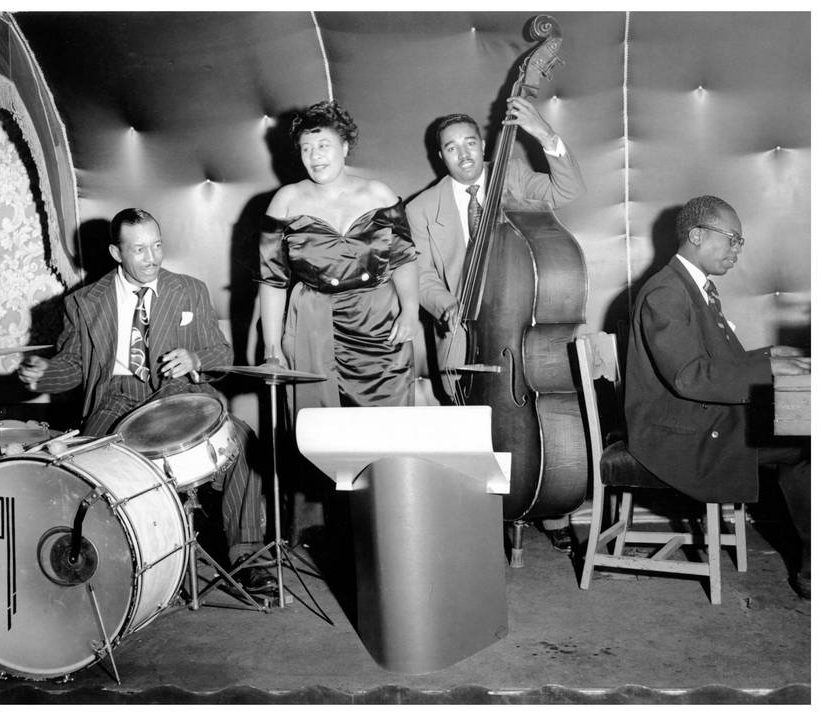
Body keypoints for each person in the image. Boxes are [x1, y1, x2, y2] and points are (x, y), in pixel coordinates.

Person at [18, 208, 276, 595]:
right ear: (116, 252)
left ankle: (247, 556)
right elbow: (73, 366)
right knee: (89, 470)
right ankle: (121, 564)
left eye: (157, 245)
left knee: (242, 441)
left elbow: (221, 352)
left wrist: (196, 360)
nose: (152, 257)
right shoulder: (85, 303)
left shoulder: (190, 289)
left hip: (180, 396)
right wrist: (43, 374)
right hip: (115, 399)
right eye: (139, 249)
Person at [406, 98, 586, 552]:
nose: (463, 154)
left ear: (484, 145)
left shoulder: (515, 178)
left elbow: (568, 193)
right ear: (439, 156)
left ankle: (548, 506)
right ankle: (489, 517)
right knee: (472, 433)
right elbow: (423, 276)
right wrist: (446, 305)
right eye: (451, 148)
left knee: (533, 422)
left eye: (470, 143)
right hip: (463, 339)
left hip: (518, 335)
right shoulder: (422, 207)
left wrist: (545, 135)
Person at [625, 195, 811, 599]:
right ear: (696, 235)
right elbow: (691, 377)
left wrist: (769, 355)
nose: (737, 250)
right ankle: (812, 572)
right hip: (674, 435)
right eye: (732, 239)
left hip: (695, 419)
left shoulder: (695, 288)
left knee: (801, 438)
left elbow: (717, 364)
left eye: (740, 242)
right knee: (803, 447)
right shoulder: (667, 292)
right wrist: (770, 371)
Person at [258, 100, 419, 409]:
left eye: (323, 144)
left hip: (379, 328)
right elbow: (271, 282)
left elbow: (404, 260)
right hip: (312, 329)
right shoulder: (285, 202)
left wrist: (410, 310)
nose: (315, 156)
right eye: (306, 148)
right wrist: (272, 349)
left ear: (345, 146)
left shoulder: (379, 194)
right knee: (322, 436)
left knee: (390, 433)